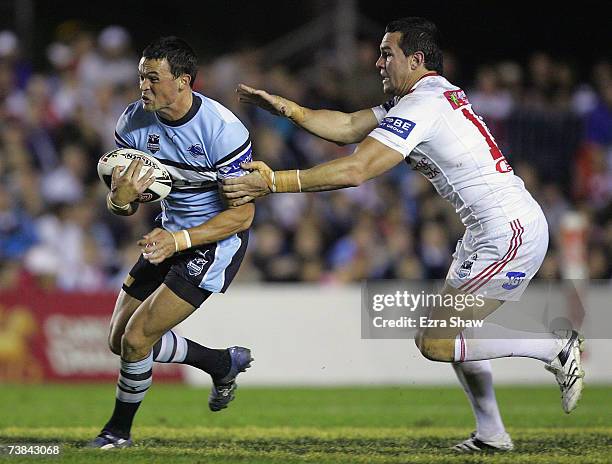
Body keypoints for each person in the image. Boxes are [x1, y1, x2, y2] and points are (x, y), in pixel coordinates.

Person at [221, 17, 585, 452]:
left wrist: (272, 183)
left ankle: (555, 349)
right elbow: (346, 126)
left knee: (435, 341)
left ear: (415, 60)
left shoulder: (421, 106)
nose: (378, 62)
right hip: (490, 229)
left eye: (386, 53)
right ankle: (492, 433)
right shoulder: (421, 97)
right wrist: (288, 108)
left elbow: (357, 170)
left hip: (508, 231)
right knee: (452, 335)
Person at [90, 36, 255, 449]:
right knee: (118, 340)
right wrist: (118, 201)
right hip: (168, 236)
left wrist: (179, 238)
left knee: (137, 338)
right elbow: (124, 205)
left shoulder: (223, 131)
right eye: (140, 77)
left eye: (152, 78)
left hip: (213, 240)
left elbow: (243, 214)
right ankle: (221, 362)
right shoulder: (132, 123)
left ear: (183, 82)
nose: (142, 86)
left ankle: (117, 433)